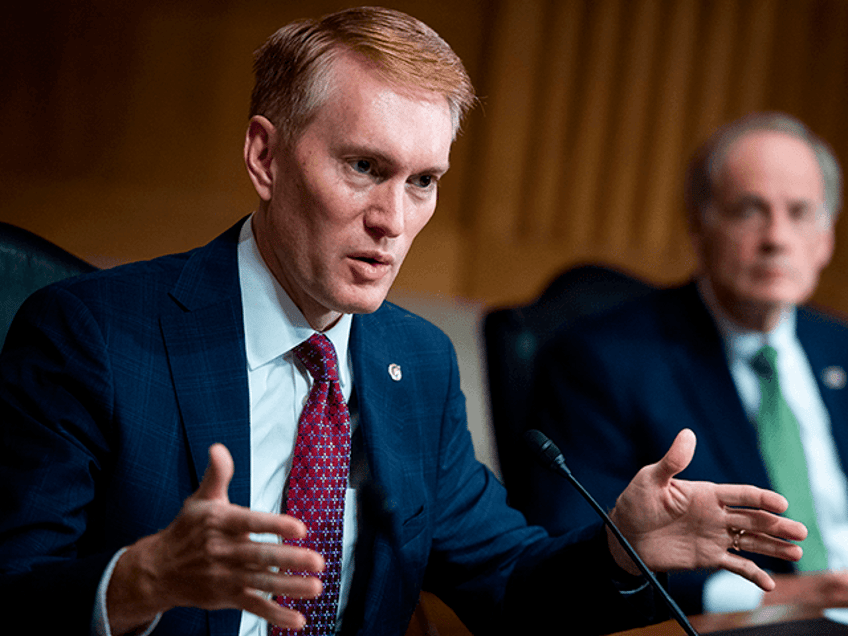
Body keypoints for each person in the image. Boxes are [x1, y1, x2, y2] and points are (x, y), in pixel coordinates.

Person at [0, 10, 805, 636]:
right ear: (265, 159)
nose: (393, 218)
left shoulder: (415, 362)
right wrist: (141, 579)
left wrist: (616, 552)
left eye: (423, 181)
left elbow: (509, 586)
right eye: (364, 168)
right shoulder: (92, 334)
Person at [525, 111, 848, 616]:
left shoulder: (840, 348)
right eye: (749, 210)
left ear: (825, 238)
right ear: (700, 226)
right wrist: (773, 598)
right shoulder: (603, 359)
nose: (776, 238)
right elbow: (578, 543)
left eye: (801, 212)